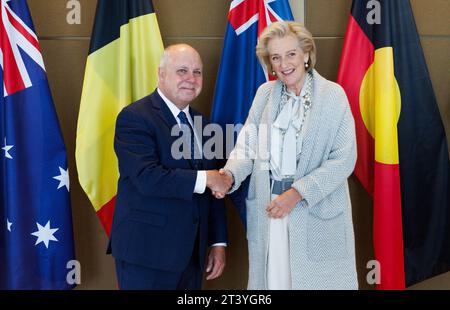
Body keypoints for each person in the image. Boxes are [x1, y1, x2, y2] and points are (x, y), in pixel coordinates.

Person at [218, 21, 358, 289]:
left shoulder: (333, 96)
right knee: (274, 283)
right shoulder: (265, 94)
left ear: (306, 54)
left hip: (312, 208)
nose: (284, 64)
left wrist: (296, 193)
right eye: (276, 57)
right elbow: (248, 145)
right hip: (270, 209)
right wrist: (229, 174)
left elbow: (344, 160)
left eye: (290, 54)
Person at [110, 44, 232, 290]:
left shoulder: (203, 124)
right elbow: (147, 177)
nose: (191, 79)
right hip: (146, 255)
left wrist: (218, 242)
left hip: (192, 257)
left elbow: (215, 188)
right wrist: (207, 178)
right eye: (182, 71)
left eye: (197, 72)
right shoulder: (134, 117)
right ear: (161, 74)